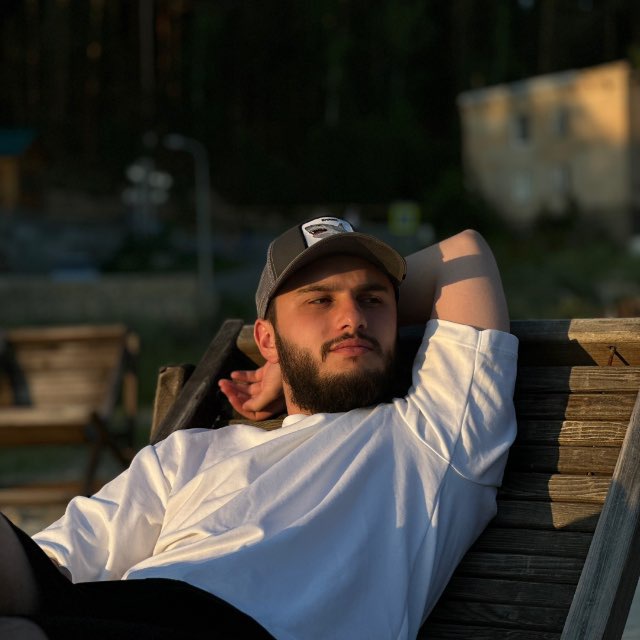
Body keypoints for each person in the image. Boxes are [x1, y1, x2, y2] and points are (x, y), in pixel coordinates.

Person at [0, 217, 518, 639]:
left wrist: (311, 342)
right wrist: (295, 357)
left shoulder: (431, 436)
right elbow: (55, 562)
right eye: (320, 300)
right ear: (266, 339)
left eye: (372, 299)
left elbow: (465, 254)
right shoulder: (185, 456)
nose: (353, 318)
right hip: (128, 610)